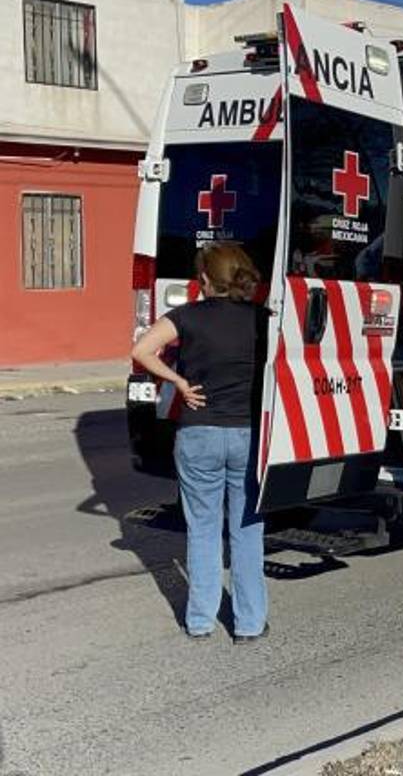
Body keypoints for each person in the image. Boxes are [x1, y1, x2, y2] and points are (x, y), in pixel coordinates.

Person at [131, 243, 271, 642]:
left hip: (198, 434)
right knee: (247, 530)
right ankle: (249, 624)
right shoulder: (263, 320)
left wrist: (177, 382)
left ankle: (199, 622)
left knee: (203, 530)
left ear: (205, 280)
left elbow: (140, 350)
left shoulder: (186, 317)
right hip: (247, 434)